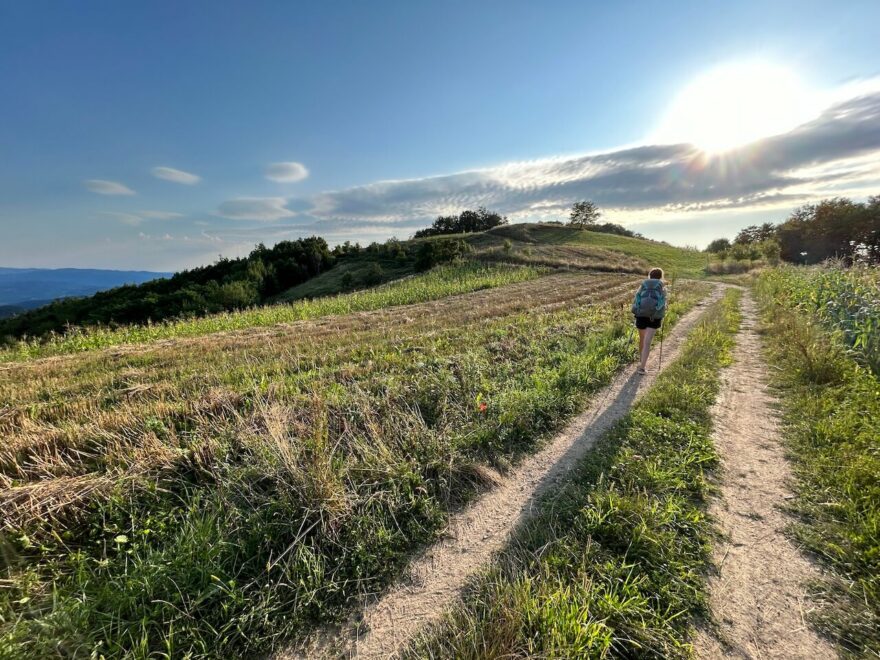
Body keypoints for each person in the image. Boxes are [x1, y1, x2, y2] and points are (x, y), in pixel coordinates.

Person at [631, 267, 666, 374]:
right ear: (661, 276)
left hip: (641, 315)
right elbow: (663, 302)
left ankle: (641, 361)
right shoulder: (662, 287)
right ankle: (642, 367)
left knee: (642, 339)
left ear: (650, 275)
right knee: (647, 342)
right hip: (654, 317)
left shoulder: (643, 285)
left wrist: (636, 310)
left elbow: (637, 298)